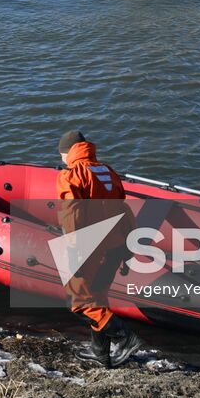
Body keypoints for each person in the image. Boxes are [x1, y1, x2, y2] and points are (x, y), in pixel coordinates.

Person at [56, 130, 141, 368]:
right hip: (114, 246)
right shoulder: (107, 171)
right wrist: (127, 250)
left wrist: (73, 248)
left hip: (90, 247)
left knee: (79, 302)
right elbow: (124, 211)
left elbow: (71, 213)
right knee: (99, 297)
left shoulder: (71, 175)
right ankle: (100, 353)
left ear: (67, 153)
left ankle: (126, 337)